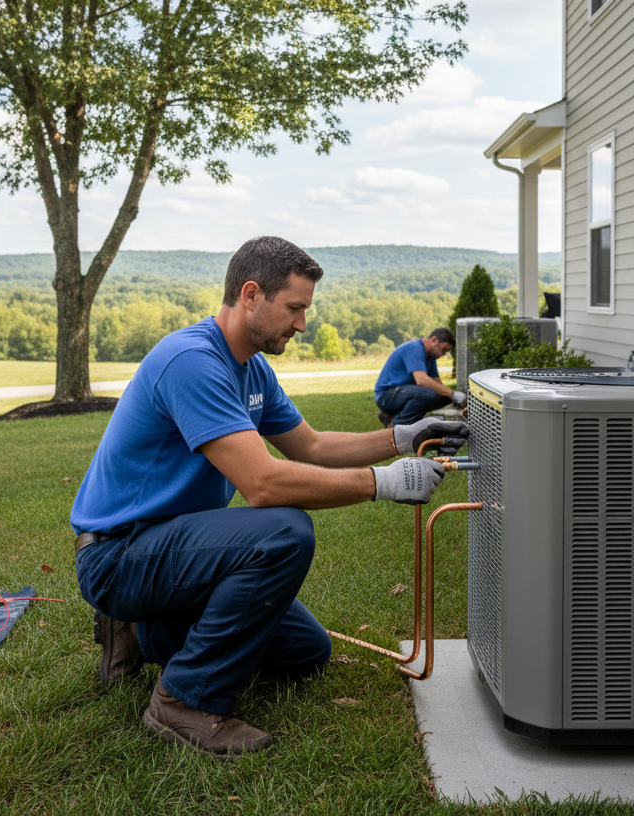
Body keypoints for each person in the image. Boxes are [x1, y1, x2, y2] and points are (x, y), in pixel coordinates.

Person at [71, 237, 467, 755]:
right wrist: (387, 481)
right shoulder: (191, 360)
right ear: (251, 295)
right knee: (284, 530)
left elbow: (312, 445)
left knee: (306, 650)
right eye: (295, 308)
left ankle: (137, 635)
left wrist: (402, 437)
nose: (302, 324)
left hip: (168, 549)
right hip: (119, 554)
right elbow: (264, 484)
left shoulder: (253, 369)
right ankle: (181, 702)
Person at [373, 328, 466, 427]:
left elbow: (438, 384)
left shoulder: (430, 358)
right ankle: (397, 427)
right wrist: (452, 393)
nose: (443, 355)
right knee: (426, 394)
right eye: (443, 350)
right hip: (386, 396)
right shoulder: (413, 348)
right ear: (434, 340)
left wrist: (452, 397)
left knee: (444, 397)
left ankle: (395, 416)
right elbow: (421, 380)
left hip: (401, 394)